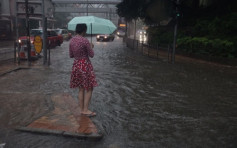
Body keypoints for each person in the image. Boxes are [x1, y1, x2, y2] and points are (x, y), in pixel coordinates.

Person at [69, 24, 98, 117]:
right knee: (89, 88)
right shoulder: (85, 41)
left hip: (76, 65)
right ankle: (85, 110)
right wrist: (91, 46)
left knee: (81, 88)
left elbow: (71, 55)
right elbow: (92, 55)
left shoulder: (71, 41)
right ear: (84, 31)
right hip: (85, 65)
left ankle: (82, 109)